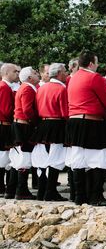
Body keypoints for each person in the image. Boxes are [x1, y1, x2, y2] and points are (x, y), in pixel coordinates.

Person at [66, 51, 106, 206]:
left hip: (74, 121)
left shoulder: (73, 78)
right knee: (100, 159)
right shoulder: (94, 77)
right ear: (91, 63)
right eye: (97, 62)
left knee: (79, 160)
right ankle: (96, 196)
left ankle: (80, 196)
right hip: (91, 121)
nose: (98, 65)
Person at [31, 62, 68, 201]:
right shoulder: (61, 89)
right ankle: (51, 191)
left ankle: (42, 191)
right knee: (55, 159)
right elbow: (64, 111)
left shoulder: (41, 88)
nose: (66, 74)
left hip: (43, 124)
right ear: (58, 73)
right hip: (56, 124)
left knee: (42, 159)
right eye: (64, 71)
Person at [10, 66, 40, 200]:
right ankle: (21, 190)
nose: (37, 74)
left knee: (20, 157)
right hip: (23, 125)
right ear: (29, 78)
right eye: (35, 73)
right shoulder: (27, 89)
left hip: (20, 124)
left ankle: (15, 189)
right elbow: (27, 109)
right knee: (24, 157)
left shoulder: (24, 87)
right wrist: (35, 122)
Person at [0, 64, 20, 197]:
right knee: (4, 157)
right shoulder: (4, 87)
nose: (17, 73)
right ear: (6, 72)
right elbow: (6, 109)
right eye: (14, 71)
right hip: (4, 125)